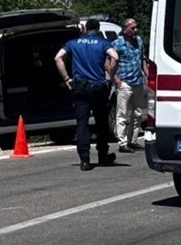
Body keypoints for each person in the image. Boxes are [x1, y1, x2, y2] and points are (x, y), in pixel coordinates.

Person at [55, 17, 119, 170]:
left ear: (85, 29)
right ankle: (103, 155)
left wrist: (66, 79)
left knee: (82, 124)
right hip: (98, 88)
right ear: (97, 29)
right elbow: (115, 56)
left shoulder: (74, 43)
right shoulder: (103, 43)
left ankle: (84, 159)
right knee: (101, 123)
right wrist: (111, 74)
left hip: (80, 88)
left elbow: (57, 57)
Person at [111, 17, 147, 152]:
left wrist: (147, 75)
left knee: (137, 113)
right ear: (125, 29)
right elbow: (110, 63)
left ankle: (133, 140)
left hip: (137, 81)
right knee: (123, 113)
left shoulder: (139, 41)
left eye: (136, 27)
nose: (135, 30)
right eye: (132, 28)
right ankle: (122, 142)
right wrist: (115, 79)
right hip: (124, 82)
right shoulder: (117, 44)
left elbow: (142, 59)